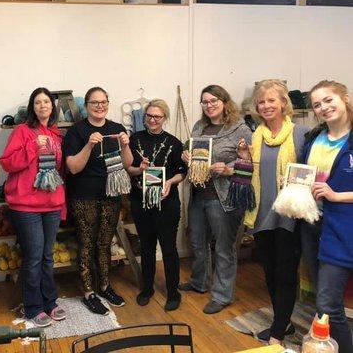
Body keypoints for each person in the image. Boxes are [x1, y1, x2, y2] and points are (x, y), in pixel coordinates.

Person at [239, 79, 310, 345]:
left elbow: (310, 171)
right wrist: (244, 158)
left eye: (271, 100)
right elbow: (251, 174)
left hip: (289, 215)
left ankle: (278, 331)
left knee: (285, 272)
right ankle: (285, 322)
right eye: (261, 101)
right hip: (261, 213)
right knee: (268, 271)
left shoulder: (301, 134)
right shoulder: (255, 136)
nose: (266, 105)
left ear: (283, 103)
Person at [178, 85, 252, 314]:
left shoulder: (240, 128)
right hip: (199, 194)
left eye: (213, 101)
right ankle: (200, 282)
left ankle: (222, 294)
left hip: (223, 198)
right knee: (197, 243)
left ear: (224, 101)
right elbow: (192, 152)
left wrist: (230, 169)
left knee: (223, 247)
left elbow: (251, 161)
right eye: (205, 102)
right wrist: (186, 154)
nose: (209, 105)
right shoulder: (200, 126)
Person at [0, 87, 66, 328]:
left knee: (47, 256)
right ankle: (33, 307)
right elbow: (7, 164)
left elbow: (60, 172)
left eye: (46, 102)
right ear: (32, 107)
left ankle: (50, 302)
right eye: (37, 102)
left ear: (52, 106)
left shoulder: (57, 135)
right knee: (34, 257)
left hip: (52, 204)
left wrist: (62, 203)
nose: (42, 106)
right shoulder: (22, 131)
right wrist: (32, 147)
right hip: (26, 206)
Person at [63, 86, 133, 315]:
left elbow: (127, 163)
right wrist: (90, 144)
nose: (100, 106)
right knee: (87, 243)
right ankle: (88, 292)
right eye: (95, 103)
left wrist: (125, 144)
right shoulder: (77, 131)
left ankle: (104, 286)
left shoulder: (116, 129)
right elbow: (73, 167)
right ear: (87, 106)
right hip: (84, 196)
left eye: (104, 102)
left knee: (105, 242)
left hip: (111, 195)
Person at [301, 80, 352, 353]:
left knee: (328, 305)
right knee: (324, 303)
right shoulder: (315, 138)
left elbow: (333, 190)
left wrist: (336, 196)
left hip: (344, 229)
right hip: (313, 224)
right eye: (317, 104)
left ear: (344, 98)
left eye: (328, 100)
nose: (323, 107)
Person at [126, 99, 187, 311]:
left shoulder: (174, 142)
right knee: (147, 247)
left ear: (164, 118)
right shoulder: (134, 140)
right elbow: (128, 168)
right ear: (144, 117)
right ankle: (147, 289)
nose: (152, 120)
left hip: (166, 202)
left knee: (169, 249)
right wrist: (139, 170)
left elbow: (182, 171)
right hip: (140, 202)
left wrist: (170, 182)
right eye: (149, 116)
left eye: (157, 117)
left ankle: (173, 292)